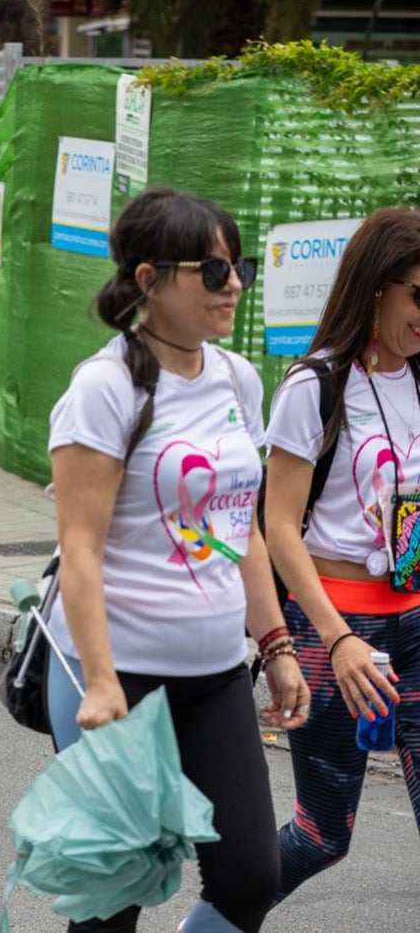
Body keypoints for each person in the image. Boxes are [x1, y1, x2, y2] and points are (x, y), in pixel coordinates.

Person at [47, 189, 309, 933]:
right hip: (119, 675)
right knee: (116, 898)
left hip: (216, 671)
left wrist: (277, 644)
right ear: (148, 279)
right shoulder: (106, 388)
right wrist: (100, 682)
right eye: (214, 270)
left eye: (240, 268)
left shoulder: (236, 378)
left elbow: (244, 530)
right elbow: (80, 549)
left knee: (251, 875)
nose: (233, 286)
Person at [262, 207, 420, 907]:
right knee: (323, 835)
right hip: (336, 633)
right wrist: (340, 640)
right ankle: (216, 920)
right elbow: (278, 527)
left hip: (414, 621)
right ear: (378, 287)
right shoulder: (315, 388)